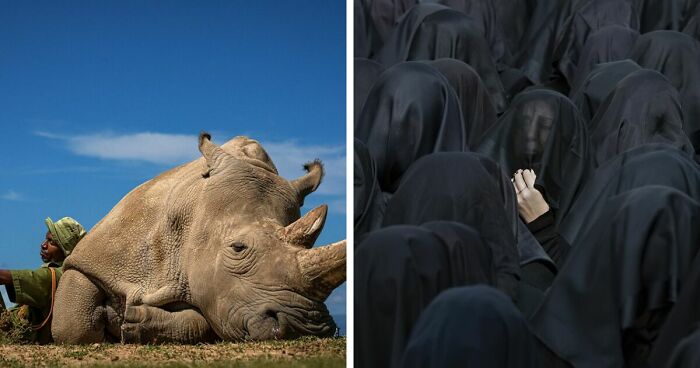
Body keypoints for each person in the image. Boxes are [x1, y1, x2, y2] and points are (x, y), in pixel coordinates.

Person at [0, 217, 86, 343]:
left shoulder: (58, 275)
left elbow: (33, 278)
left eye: (51, 242)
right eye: (46, 239)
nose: (43, 244)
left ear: (65, 249)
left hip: (21, 335)